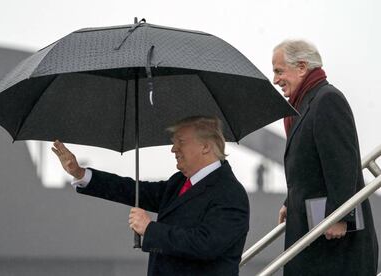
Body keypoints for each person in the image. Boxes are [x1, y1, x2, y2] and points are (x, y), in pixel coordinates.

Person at [52, 116, 249, 276]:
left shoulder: (230, 193)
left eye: (180, 142)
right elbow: (132, 190)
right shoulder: (178, 182)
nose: (173, 149)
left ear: (205, 146)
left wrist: (150, 229)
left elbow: (206, 245)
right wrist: (80, 173)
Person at [273, 39, 378, 275]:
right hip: (315, 235)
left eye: (279, 71)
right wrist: (291, 201)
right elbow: (312, 169)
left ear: (301, 67)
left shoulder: (326, 100)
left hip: (335, 244)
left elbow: (342, 162)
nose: (275, 79)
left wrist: (340, 215)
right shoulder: (304, 105)